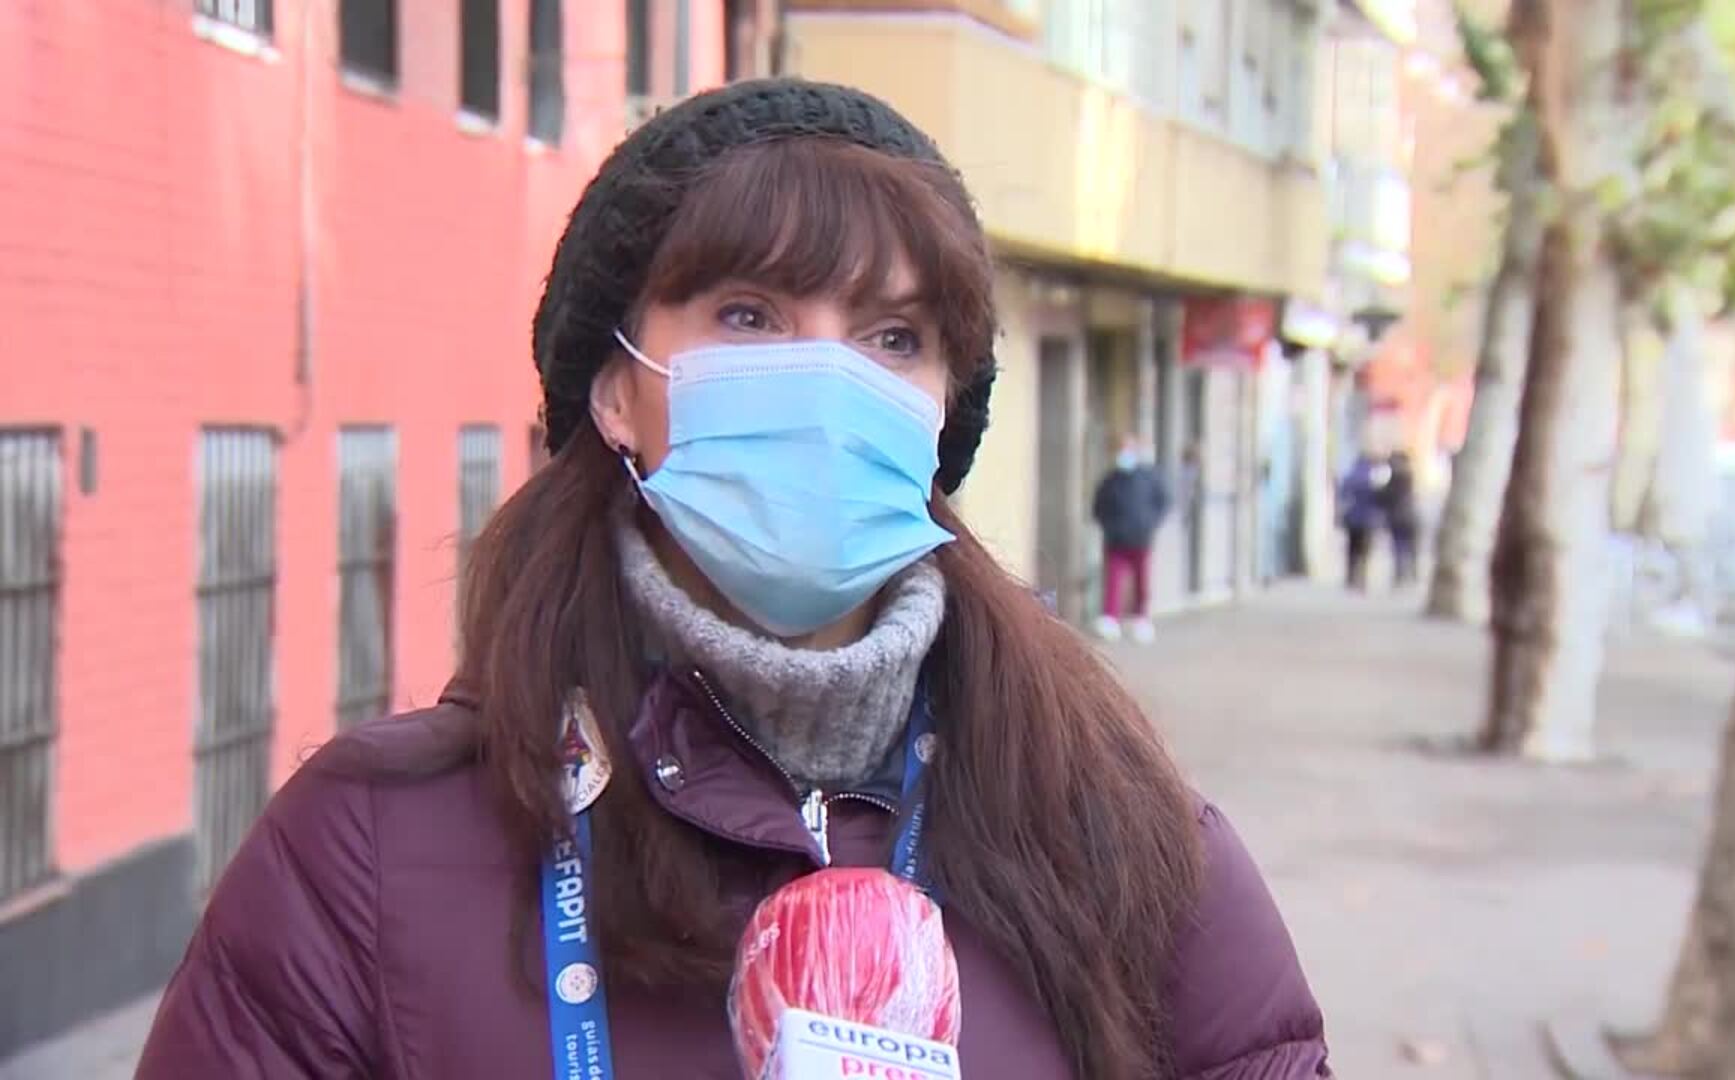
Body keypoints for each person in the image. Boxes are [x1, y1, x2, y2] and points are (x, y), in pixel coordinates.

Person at [136, 80, 1330, 1080]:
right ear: (617, 392)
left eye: (893, 337)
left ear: (939, 421)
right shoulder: (371, 854)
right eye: (750, 314)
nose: (824, 379)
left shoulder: (1121, 836)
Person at [1091, 433, 1171, 643]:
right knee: (1114, 581)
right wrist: (1109, 526)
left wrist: (1149, 524)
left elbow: (1163, 502)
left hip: (1141, 539)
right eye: (1121, 449)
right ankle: (1110, 619)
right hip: (1116, 540)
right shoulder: (1111, 480)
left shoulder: (1149, 477)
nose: (1124, 454)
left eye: (1128, 448)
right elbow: (1098, 506)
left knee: (1142, 582)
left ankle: (1141, 620)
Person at [1338, 451, 1388, 591]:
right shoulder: (1372, 479)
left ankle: (1350, 577)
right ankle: (1362, 578)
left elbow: (1343, 496)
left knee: (1352, 549)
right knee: (1364, 551)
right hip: (1367, 520)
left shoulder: (1350, 477)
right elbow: (1379, 499)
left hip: (1352, 518)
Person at [1382, 449, 1420, 587]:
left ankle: (1401, 574)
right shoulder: (1409, 474)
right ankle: (1411, 574)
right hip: (1410, 515)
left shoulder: (1397, 476)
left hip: (1399, 516)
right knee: (1409, 547)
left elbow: (1387, 495)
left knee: (1399, 546)